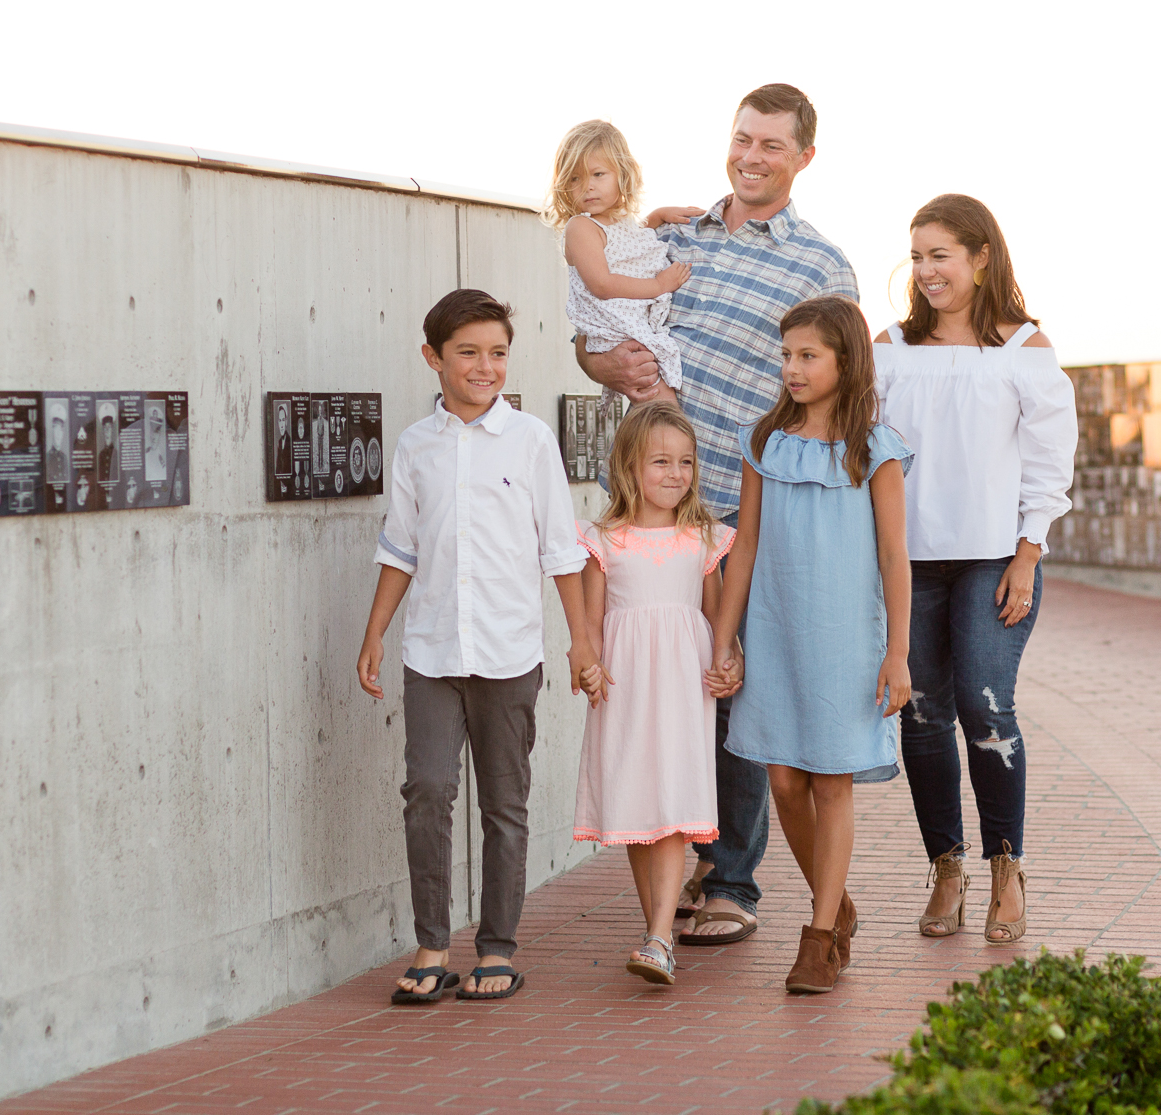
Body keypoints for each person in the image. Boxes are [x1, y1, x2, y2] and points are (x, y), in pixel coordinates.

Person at [578, 83, 856, 946]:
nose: (752, 156)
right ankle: (675, 856)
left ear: (803, 157)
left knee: (725, 686)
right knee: (649, 685)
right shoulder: (665, 236)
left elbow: (835, 393)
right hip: (647, 508)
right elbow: (596, 324)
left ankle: (729, 876)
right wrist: (602, 362)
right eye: (743, 139)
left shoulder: (823, 265)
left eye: (772, 145)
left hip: (740, 510)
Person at [357, 289, 600, 1004]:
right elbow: (400, 547)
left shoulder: (529, 441)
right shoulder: (415, 445)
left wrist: (580, 641)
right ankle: (433, 942)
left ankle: (497, 946)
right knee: (426, 790)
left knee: (504, 802)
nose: (485, 366)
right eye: (468, 352)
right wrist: (374, 631)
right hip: (430, 650)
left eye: (497, 352)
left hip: (508, 651)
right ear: (433, 357)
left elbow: (562, 551)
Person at [873, 194, 1077, 946]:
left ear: (981, 256)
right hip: (911, 560)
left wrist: (1028, 554)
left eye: (941, 256)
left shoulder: (1024, 348)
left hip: (996, 555)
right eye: (917, 256)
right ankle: (947, 867)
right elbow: (869, 450)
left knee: (986, 708)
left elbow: (1052, 461)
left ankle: (1005, 866)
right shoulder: (890, 345)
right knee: (922, 715)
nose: (926, 271)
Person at [705, 296, 913, 993]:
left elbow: (894, 555)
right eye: (786, 354)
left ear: (846, 361)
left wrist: (898, 652)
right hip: (775, 629)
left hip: (847, 636)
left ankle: (819, 936)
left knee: (830, 778)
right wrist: (725, 637)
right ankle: (838, 899)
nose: (792, 368)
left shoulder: (875, 451)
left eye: (808, 355)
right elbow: (747, 544)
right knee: (784, 780)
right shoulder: (764, 442)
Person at [572, 401, 734, 986]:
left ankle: (661, 937)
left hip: (683, 686)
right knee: (637, 807)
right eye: (660, 461)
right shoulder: (602, 539)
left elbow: (717, 620)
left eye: (685, 462)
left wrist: (728, 660)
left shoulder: (703, 538)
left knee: (668, 804)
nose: (675, 473)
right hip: (626, 686)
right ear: (628, 468)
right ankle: (656, 935)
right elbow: (589, 625)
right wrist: (587, 665)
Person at [545, 120, 692, 407]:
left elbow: (627, 246)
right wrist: (658, 285)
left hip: (630, 328)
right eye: (575, 179)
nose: (587, 187)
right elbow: (602, 284)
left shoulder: (617, 223)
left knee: (658, 411)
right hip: (617, 333)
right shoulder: (580, 228)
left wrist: (657, 216)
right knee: (663, 410)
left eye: (598, 174)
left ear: (622, 175)